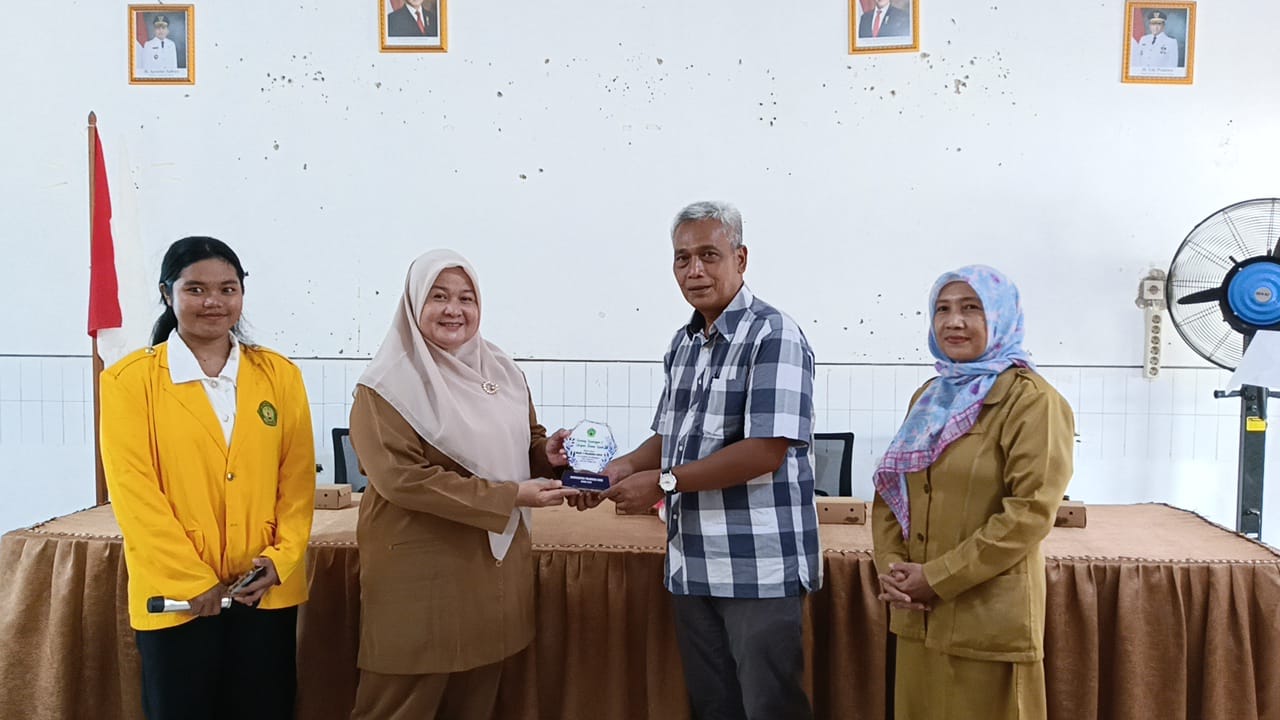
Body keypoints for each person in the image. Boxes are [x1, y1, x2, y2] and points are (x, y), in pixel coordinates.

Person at [576, 201, 820, 720]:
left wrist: (663, 484)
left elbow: (765, 451)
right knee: (714, 708)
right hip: (692, 563)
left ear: (741, 258)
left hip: (756, 568)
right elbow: (669, 436)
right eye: (682, 258)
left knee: (770, 708)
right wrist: (617, 469)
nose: (695, 270)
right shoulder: (683, 344)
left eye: (709, 255)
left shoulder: (773, 335)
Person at [348, 250, 578, 720]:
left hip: (493, 573)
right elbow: (402, 479)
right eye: (438, 297)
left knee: (477, 699)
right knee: (400, 703)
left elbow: (526, 439)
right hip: (420, 575)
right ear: (414, 304)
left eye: (466, 298)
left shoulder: (501, 370)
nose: (454, 309)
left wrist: (547, 455)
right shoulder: (386, 386)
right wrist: (510, 496)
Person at [100, 237, 315, 720]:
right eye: (195, 289)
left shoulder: (280, 376)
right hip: (176, 598)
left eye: (227, 289)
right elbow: (134, 493)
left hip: (263, 591)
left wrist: (281, 559)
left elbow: (297, 481)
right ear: (167, 293)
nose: (213, 302)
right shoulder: (129, 382)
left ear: (242, 294)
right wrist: (191, 578)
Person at [871, 265, 1075, 720]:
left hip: (988, 621)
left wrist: (937, 578)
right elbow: (892, 491)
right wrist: (893, 569)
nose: (954, 321)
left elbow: (1030, 512)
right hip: (918, 617)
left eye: (971, 308)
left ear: (1001, 317)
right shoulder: (930, 397)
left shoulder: (1032, 401)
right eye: (942, 309)